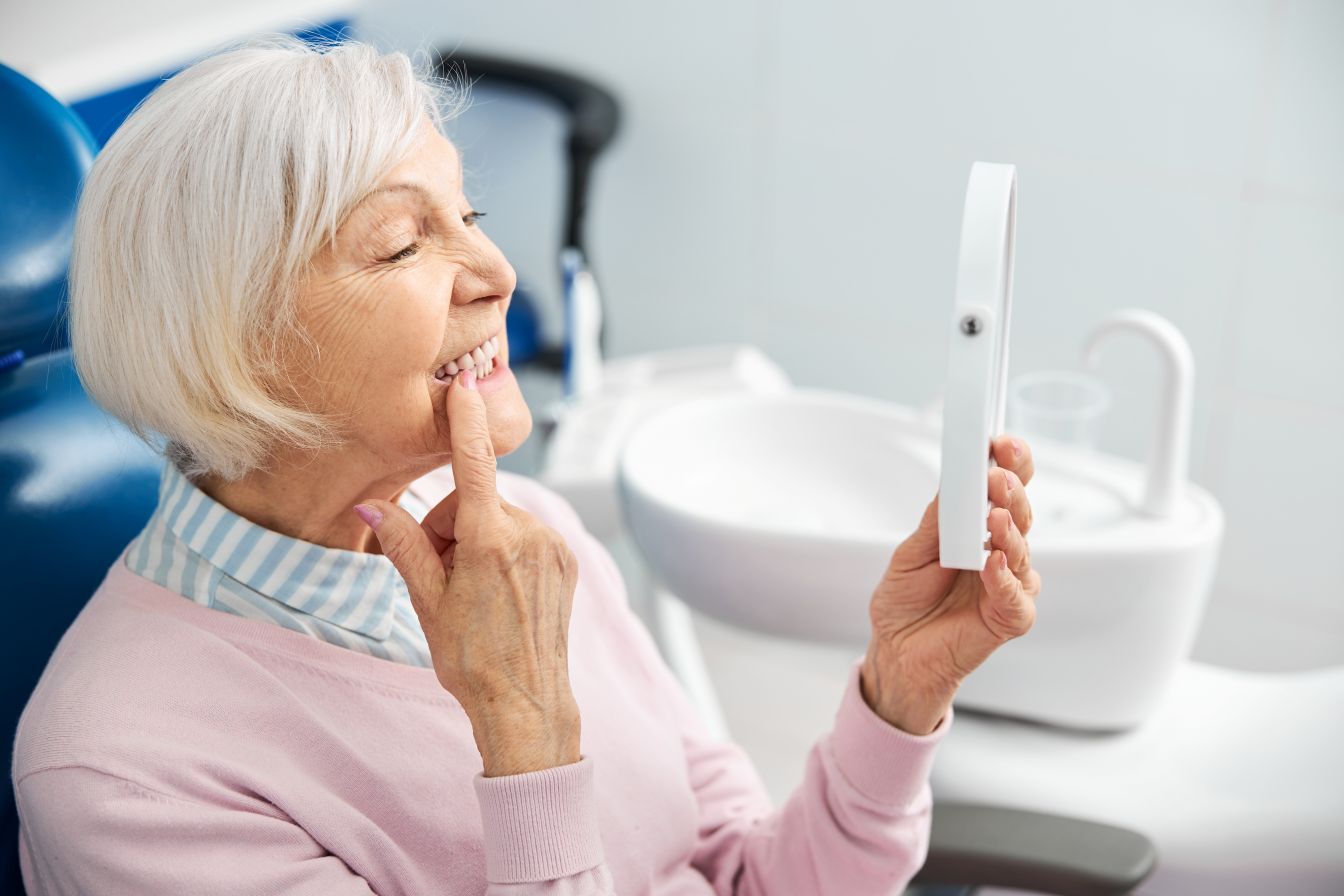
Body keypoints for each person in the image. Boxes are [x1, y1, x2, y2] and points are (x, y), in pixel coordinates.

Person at [11, 35, 1041, 895]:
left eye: (472, 217)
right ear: (233, 344)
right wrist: (525, 733)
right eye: (402, 245)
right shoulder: (124, 775)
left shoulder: (526, 536)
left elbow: (741, 874)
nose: (498, 274)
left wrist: (895, 696)